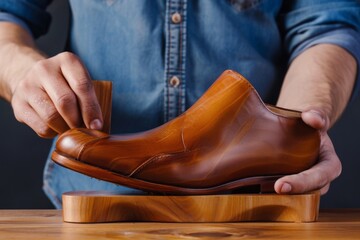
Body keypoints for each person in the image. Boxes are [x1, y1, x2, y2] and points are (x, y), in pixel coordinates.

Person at [0, 0, 359, 209]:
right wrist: (21, 71)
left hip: (249, 202)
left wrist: (301, 125)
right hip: (99, 197)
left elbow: (326, 25)